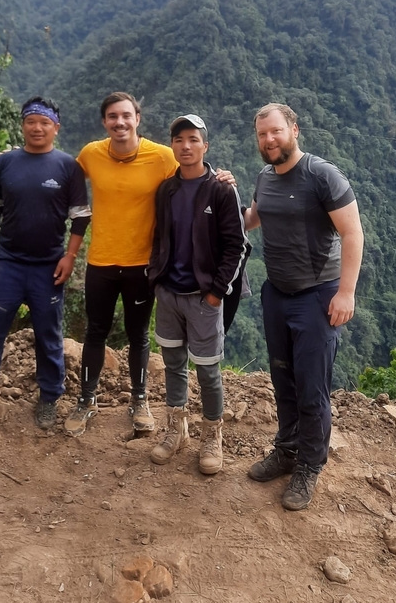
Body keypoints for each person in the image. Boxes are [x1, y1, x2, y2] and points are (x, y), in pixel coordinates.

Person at [244, 103, 363, 510]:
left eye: (276, 131)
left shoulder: (322, 175)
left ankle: (310, 465)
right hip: (276, 294)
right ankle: (287, 451)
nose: (269, 140)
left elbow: (352, 232)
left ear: (294, 130)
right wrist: (217, 196)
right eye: (262, 134)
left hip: (317, 296)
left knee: (312, 389)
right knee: (283, 381)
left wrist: (346, 293)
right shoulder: (265, 177)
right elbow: (253, 217)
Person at [0, 97, 91, 430]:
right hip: (9, 263)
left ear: (56, 128)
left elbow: (80, 217)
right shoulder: (4, 164)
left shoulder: (68, 167)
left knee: (49, 334)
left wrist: (70, 256)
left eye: (44, 123)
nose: (37, 128)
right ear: (22, 125)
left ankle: (49, 396)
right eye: (31, 121)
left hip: (49, 266)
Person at [64, 92, 178, 436]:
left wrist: (221, 178)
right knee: (95, 332)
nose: (120, 122)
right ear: (104, 122)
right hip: (100, 262)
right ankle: (86, 400)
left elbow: (193, 178)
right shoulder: (91, 154)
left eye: (126, 115)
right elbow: (63, 178)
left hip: (141, 264)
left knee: (138, 334)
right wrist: (20, 160)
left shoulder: (162, 157)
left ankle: (140, 400)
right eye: (113, 116)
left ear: (137, 119)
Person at [147, 115, 247, 474]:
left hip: (203, 297)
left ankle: (211, 435)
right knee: (173, 365)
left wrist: (217, 293)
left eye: (193, 139)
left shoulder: (221, 189)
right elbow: (159, 237)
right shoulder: (167, 190)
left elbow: (236, 245)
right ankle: (177, 429)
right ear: (172, 146)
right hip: (169, 294)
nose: (185, 146)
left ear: (205, 146)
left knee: (207, 372)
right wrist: (156, 279)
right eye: (179, 140)